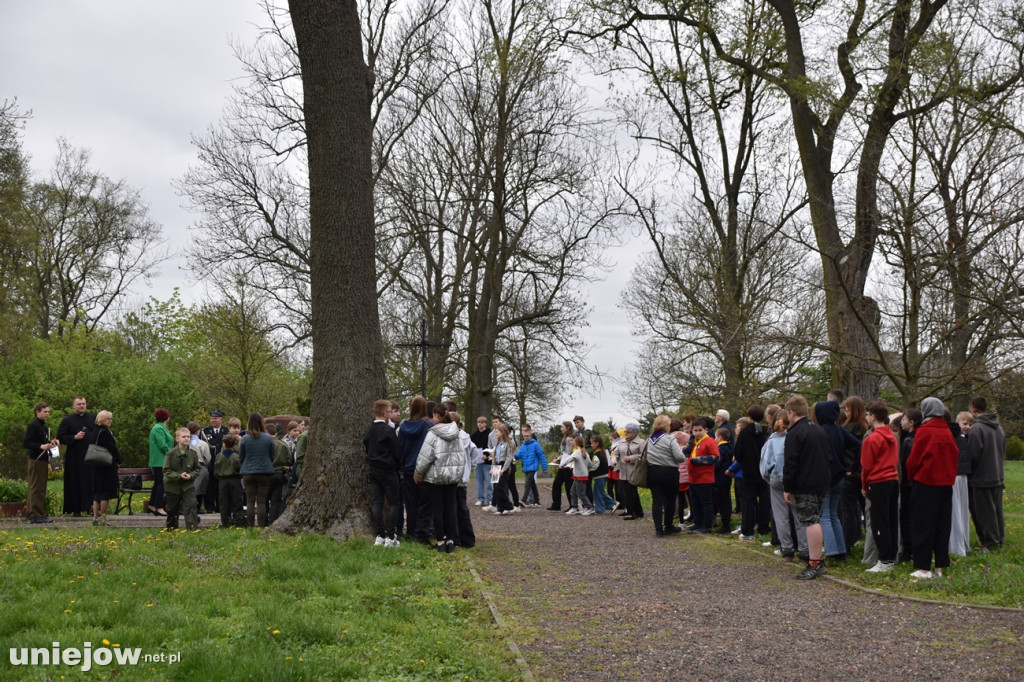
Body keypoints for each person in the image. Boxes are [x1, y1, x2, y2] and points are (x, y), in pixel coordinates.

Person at [906, 397, 960, 578]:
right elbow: (955, 454)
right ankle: (940, 567)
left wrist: (912, 477)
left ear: (925, 411)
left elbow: (914, 459)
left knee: (923, 524)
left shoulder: (924, 430)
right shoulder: (946, 429)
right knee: (942, 525)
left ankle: (923, 567)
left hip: (926, 482)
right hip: (945, 483)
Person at [783, 395, 832, 580]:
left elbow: (790, 463)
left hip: (805, 483)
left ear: (791, 412)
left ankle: (815, 562)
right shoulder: (818, 429)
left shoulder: (795, 433)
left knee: (810, 522)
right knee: (816, 519)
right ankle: (816, 559)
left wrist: (787, 487)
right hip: (821, 480)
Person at [414, 404, 466, 553]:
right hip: (451, 478)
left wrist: (419, 472)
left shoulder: (433, 433)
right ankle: (451, 540)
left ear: (436, 416)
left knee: (437, 509)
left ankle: (440, 541)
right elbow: (461, 457)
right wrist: (458, 475)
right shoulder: (457, 434)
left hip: (435, 477)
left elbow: (425, 456)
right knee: (450, 508)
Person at [814, 400, 861, 563]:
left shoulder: (819, 431)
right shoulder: (840, 431)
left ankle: (832, 551)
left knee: (824, 515)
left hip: (825, 477)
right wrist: (851, 466)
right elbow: (858, 446)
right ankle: (841, 549)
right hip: (840, 477)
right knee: (833, 514)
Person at [761, 410, 807, 562]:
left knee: (781, 516)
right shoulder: (797, 438)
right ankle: (804, 549)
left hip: (776, 479)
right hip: (794, 479)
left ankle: (787, 549)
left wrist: (770, 478)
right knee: (799, 515)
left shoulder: (771, 441)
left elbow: (764, 465)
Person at [860, 400, 899, 573]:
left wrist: (864, 486)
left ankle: (884, 559)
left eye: (867, 415)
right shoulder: (892, 435)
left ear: (873, 417)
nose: (866, 418)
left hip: (878, 481)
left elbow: (866, 466)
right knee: (890, 520)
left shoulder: (872, 439)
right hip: (892, 480)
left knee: (878, 522)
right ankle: (890, 557)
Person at [967, 396, 1006, 551]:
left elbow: (973, 455)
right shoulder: (998, 427)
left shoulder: (977, 428)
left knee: (985, 512)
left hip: (982, 477)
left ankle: (991, 543)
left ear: (973, 409)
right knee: (997, 510)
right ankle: (999, 538)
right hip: (997, 474)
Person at [364, 399, 402, 547]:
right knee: (394, 502)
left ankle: (379, 534)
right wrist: (396, 465)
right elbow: (397, 451)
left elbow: (366, 444)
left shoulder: (370, 430)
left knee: (377, 502)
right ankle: (390, 535)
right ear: (385, 413)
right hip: (388, 470)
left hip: (373, 469)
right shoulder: (388, 431)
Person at [398, 397, 434, 543]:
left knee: (411, 504)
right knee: (424, 503)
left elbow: (399, 447)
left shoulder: (403, 426)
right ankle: (422, 533)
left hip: (407, 468)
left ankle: (411, 532)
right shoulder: (428, 426)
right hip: (423, 469)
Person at [733, 405, 771, 539]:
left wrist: (746, 463)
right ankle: (764, 528)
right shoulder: (766, 431)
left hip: (749, 471)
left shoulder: (745, 432)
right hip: (764, 471)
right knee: (764, 500)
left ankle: (748, 530)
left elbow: (738, 452)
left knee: (748, 501)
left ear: (749, 417)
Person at [646, 415, 685, 536]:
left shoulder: (650, 439)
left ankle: (658, 529)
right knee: (670, 500)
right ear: (666, 426)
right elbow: (679, 457)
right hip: (669, 472)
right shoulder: (670, 439)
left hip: (653, 472)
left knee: (657, 501)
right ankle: (668, 526)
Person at [57, 396, 95, 516]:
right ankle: (76, 509)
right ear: (73, 406)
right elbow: (60, 437)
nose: (82, 406)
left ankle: (90, 507)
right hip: (75, 457)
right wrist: (74, 437)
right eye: (79, 404)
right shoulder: (67, 421)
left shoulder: (93, 418)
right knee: (75, 482)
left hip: (90, 456)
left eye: (83, 404)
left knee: (90, 482)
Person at [839, 397, 869, 549]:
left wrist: (848, 467)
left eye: (846, 409)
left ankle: (848, 542)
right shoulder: (867, 428)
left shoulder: (846, 429)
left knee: (848, 510)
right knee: (866, 510)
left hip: (850, 473)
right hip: (864, 473)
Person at [22, 402, 59, 523]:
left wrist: (51, 442)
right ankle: (35, 514)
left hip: (42, 460)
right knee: (36, 487)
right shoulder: (34, 425)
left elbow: (43, 441)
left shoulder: (42, 426)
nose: (47, 414)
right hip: (36, 459)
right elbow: (27, 443)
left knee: (40, 486)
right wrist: (41, 446)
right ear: (37, 412)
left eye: (48, 412)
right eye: (45, 412)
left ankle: (33, 512)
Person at [238, 413, 276, 528]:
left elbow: (241, 457)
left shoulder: (244, 439)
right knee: (261, 501)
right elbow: (272, 456)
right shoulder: (268, 438)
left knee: (250, 501)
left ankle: (250, 526)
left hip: (248, 472)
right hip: (264, 472)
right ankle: (261, 526)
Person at [164, 427, 201, 530]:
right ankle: (171, 530)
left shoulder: (193, 454)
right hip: (172, 486)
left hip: (188, 485)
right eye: (183, 437)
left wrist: (191, 475)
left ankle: (192, 529)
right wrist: (178, 476)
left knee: (191, 506)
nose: (186, 439)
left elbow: (197, 469)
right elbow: (166, 470)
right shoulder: (170, 454)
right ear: (177, 439)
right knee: (172, 510)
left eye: (188, 436)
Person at [685, 417, 719, 533]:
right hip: (692, 477)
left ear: (705, 429)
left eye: (700, 430)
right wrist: (690, 442)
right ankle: (697, 522)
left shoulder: (709, 441)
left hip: (704, 478)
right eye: (695, 431)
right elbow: (685, 453)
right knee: (695, 502)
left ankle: (707, 525)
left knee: (706, 503)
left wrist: (699, 460)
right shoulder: (693, 441)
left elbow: (715, 457)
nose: (697, 433)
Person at [898, 408, 923, 561]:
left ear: (912, 422)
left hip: (908, 484)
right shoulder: (918, 437)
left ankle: (908, 550)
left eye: (904, 419)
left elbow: (905, 464)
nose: (902, 422)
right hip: (918, 483)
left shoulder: (909, 440)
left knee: (907, 516)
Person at [89, 410, 121, 526]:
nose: (110, 421)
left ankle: (95, 517)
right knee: (105, 493)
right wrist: (118, 459)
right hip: (105, 464)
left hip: (95, 464)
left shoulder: (94, 431)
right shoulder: (104, 432)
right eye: (108, 419)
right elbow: (112, 447)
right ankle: (103, 518)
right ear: (102, 420)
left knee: (97, 493)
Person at [950, 411, 973, 556]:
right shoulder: (955, 437)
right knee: (956, 509)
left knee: (962, 509)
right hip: (955, 476)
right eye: (965, 423)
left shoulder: (965, 438)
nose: (968, 427)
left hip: (963, 475)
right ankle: (956, 545)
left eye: (970, 424)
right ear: (958, 422)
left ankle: (963, 542)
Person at [451, 412, 476, 548]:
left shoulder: (452, 436)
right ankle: (468, 539)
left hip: (452, 477)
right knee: (462, 508)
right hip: (463, 477)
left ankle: (456, 538)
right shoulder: (466, 437)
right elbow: (474, 452)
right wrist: (470, 468)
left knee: (453, 508)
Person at [615, 422, 647, 521]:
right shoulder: (622, 441)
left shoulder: (641, 442)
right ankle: (638, 511)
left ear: (634, 433)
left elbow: (644, 456)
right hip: (623, 471)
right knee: (623, 490)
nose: (625, 434)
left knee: (630, 490)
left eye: (628, 432)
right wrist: (614, 459)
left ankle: (630, 512)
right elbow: (616, 452)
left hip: (634, 471)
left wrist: (631, 458)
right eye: (625, 432)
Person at [200, 410, 229, 514]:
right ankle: (209, 507)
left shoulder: (226, 431)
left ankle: (221, 507)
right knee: (210, 487)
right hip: (210, 463)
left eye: (215, 418)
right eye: (212, 418)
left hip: (223, 463)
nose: (213, 420)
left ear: (221, 420)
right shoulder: (205, 431)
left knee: (221, 487)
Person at [215, 434, 245, 527]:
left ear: (223, 444)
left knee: (224, 503)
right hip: (235, 480)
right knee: (237, 502)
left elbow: (216, 470)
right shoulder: (236, 456)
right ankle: (238, 521)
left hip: (223, 481)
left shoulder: (219, 456)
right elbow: (240, 469)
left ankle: (225, 522)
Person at [148, 409, 173, 516]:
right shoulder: (158, 428)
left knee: (158, 484)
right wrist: (172, 454)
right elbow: (162, 444)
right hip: (160, 461)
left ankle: (152, 505)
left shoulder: (161, 428)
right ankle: (158, 507)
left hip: (160, 461)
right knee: (161, 484)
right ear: (166, 417)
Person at [515, 425, 548, 506]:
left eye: (527, 436)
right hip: (526, 467)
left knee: (527, 483)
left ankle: (523, 500)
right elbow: (518, 456)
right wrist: (512, 454)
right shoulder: (522, 446)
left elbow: (542, 456)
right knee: (532, 484)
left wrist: (545, 467)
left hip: (533, 467)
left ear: (531, 435)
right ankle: (537, 500)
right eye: (524, 436)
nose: (526, 438)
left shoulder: (535, 445)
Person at [548, 421, 576, 511]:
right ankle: (556, 504)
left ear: (568, 428)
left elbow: (569, 452)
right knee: (557, 484)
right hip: (563, 463)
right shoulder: (565, 438)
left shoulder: (569, 439)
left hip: (567, 465)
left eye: (562, 427)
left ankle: (572, 505)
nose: (561, 429)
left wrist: (561, 460)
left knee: (568, 485)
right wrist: (558, 458)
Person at [565, 435, 596, 516]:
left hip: (580, 476)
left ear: (576, 443)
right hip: (580, 476)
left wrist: (562, 464)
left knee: (581, 493)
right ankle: (575, 507)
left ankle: (590, 507)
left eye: (573, 442)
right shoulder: (585, 452)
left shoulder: (577, 452)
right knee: (573, 491)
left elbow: (571, 458)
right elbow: (590, 464)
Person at [715, 425, 737, 535]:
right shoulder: (730, 447)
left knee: (722, 501)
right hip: (727, 478)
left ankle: (725, 525)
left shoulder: (720, 449)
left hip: (720, 478)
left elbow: (718, 464)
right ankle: (727, 522)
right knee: (726, 500)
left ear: (719, 437)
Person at [187, 422, 212, 513]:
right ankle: (197, 507)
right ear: (198, 431)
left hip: (187, 467)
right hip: (200, 466)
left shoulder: (186, 443)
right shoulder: (203, 443)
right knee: (200, 488)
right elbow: (208, 458)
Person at [589, 434, 615, 514]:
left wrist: (589, 470)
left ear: (597, 443)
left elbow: (595, 465)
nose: (591, 445)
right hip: (603, 475)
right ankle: (612, 504)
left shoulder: (597, 454)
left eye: (592, 443)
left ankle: (601, 509)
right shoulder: (603, 452)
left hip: (600, 475)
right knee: (600, 492)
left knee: (598, 493)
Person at [471, 416, 493, 506]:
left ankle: (490, 498)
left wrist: (487, 455)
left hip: (487, 462)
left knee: (489, 482)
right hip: (478, 462)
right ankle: (480, 498)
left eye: (482, 422)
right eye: (478, 422)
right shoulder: (474, 435)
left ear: (485, 423)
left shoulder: (490, 434)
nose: (480, 424)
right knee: (479, 481)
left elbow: (491, 447)